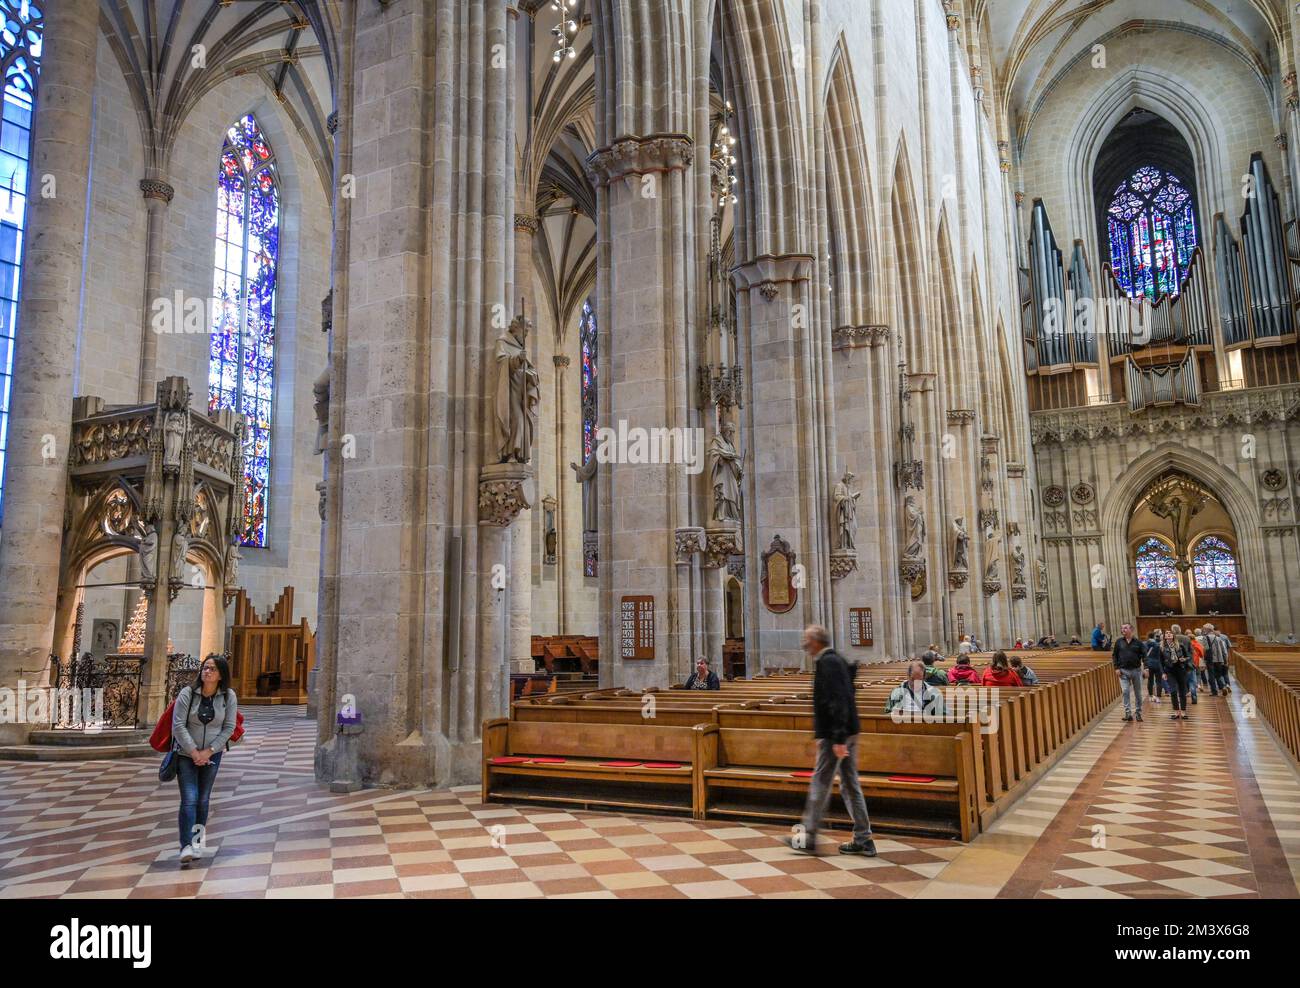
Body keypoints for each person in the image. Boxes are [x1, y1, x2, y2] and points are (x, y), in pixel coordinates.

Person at [787, 625, 876, 857]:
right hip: (846, 731)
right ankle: (864, 838)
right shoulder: (836, 659)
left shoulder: (828, 663)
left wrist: (837, 738)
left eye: (807, 639)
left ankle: (807, 837)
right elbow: (848, 692)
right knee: (849, 784)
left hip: (837, 735)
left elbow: (837, 701)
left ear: (816, 641)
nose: (804, 644)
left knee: (820, 782)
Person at [172, 654, 239, 864]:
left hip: (212, 755)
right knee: (190, 798)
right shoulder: (188, 693)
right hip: (185, 754)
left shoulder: (228, 697)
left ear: (221, 675)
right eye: (205, 668)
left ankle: (198, 842)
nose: (206, 672)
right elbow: (178, 725)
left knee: (203, 799)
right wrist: (193, 752)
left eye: (212, 669)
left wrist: (209, 751)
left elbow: (229, 727)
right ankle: (186, 845)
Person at [1111, 622, 1146, 723]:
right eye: (1122, 629)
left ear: (1131, 630)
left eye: (1125, 628)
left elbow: (1144, 656)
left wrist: (1146, 668)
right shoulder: (1119, 642)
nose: (1123, 630)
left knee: (1138, 693)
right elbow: (1114, 656)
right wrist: (1116, 668)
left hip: (1136, 670)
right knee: (1125, 691)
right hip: (1123, 670)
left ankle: (1138, 713)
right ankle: (1128, 713)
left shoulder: (1138, 642)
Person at [1160, 628, 1193, 720]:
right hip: (1170, 671)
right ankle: (1176, 711)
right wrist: (1163, 673)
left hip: (1180, 670)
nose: (1169, 634)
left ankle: (1183, 711)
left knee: (1182, 691)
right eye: (1167, 633)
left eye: (1170, 633)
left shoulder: (1180, 646)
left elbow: (1188, 656)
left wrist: (1184, 659)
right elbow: (1160, 662)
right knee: (1173, 691)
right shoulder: (1162, 648)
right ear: (1164, 636)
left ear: (1173, 635)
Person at [1171, 624, 1197, 705]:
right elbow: (1191, 651)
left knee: (1179, 681)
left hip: (1177, 664)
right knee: (1192, 681)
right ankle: (1194, 695)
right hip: (1188, 662)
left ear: (1173, 631)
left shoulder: (1172, 639)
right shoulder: (1187, 638)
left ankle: (1181, 697)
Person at [1204, 623, 1231, 695]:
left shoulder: (1205, 638)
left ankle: (1214, 691)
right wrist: (1225, 660)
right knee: (1218, 675)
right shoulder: (1219, 638)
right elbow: (1224, 651)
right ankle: (1223, 687)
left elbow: (1205, 650)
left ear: (1207, 630)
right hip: (1219, 659)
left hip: (1210, 660)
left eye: (1204, 629)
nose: (1203, 630)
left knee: (1211, 676)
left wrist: (1204, 660)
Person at [1144, 629, 1164, 704]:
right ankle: (1158, 696)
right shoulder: (1158, 644)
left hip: (1149, 664)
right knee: (1158, 681)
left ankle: (1151, 695)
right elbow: (1161, 654)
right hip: (1157, 664)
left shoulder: (1145, 644)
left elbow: (1143, 654)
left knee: (1150, 680)